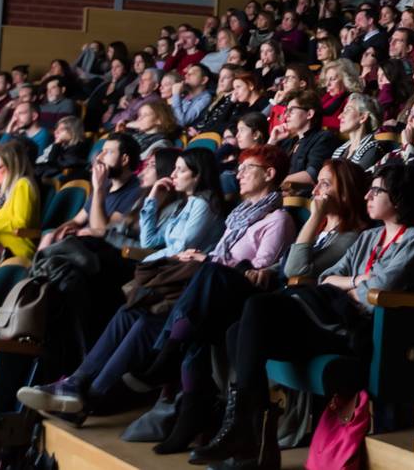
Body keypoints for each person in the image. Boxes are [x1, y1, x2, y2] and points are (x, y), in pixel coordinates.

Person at [17, 145, 296, 422]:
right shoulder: (238, 216)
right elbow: (156, 242)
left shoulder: (277, 219)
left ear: (269, 173)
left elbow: (257, 272)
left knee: (146, 317)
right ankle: (77, 383)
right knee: (130, 311)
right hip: (196, 281)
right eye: (240, 167)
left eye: (248, 168)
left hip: (222, 293)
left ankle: (91, 397)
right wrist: (202, 254)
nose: (239, 174)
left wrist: (206, 258)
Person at [204, 166, 414, 468]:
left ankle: (245, 434)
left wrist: (353, 285)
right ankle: (251, 438)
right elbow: (326, 277)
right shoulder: (370, 237)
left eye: (377, 191)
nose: (368, 195)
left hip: (351, 329)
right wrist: (356, 281)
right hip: (326, 316)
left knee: (258, 308)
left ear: (399, 199)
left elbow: (381, 287)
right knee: (236, 332)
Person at [275, 90, 342, 194]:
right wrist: (273, 141)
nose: (286, 116)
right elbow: (266, 168)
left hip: (300, 201)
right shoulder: (289, 141)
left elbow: (312, 175)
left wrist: (275, 182)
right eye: (286, 111)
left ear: (309, 114)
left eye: (291, 111)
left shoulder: (324, 138)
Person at [330, 92, 390, 170]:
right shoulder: (340, 150)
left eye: (348, 110)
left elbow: (352, 181)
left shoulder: (372, 149)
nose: (340, 116)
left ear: (363, 117)